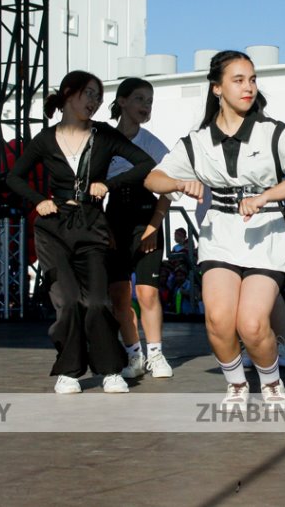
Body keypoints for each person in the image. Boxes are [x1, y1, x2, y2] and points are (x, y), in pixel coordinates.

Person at [145, 50, 285, 407]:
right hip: (220, 233)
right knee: (218, 320)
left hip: (267, 231)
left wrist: (267, 195)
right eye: (238, 80)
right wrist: (179, 183)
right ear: (217, 88)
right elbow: (153, 178)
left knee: (252, 324)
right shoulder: (197, 141)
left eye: (252, 79)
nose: (248, 87)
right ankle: (237, 384)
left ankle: (271, 381)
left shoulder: (273, 132)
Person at [7, 70, 155, 394]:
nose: (94, 101)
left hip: (92, 225)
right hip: (54, 227)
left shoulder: (104, 134)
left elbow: (145, 163)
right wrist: (38, 201)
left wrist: (109, 184)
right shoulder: (45, 139)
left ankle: (110, 370)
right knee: (69, 301)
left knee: (99, 301)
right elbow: (14, 177)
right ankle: (69, 371)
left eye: (98, 97)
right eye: (89, 93)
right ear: (68, 93)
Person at [104, 77, 175, 379]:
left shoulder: (153, 144)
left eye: (150, 101)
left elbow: (169, 188)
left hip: (147, 218)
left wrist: (154, 226)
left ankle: (156, 355)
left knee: (147, 293)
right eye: (139, 99)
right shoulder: (103, 140)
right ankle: (134, 355)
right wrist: (104, 228)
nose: (146, 106)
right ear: (122, 101)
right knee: (120, 294)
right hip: (114, 221)